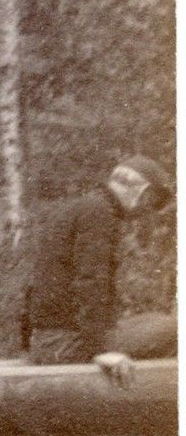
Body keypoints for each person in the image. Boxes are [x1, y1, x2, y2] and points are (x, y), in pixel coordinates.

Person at [22, 155, 176, 386]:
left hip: (52, 339)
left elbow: (38, 284)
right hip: (66, 343)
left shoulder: (86, 207)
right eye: (150, 200)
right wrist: (99, 350)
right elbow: (91, 282)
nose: (146, 210)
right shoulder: (98, 213)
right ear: (141, 191)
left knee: (161, 321)